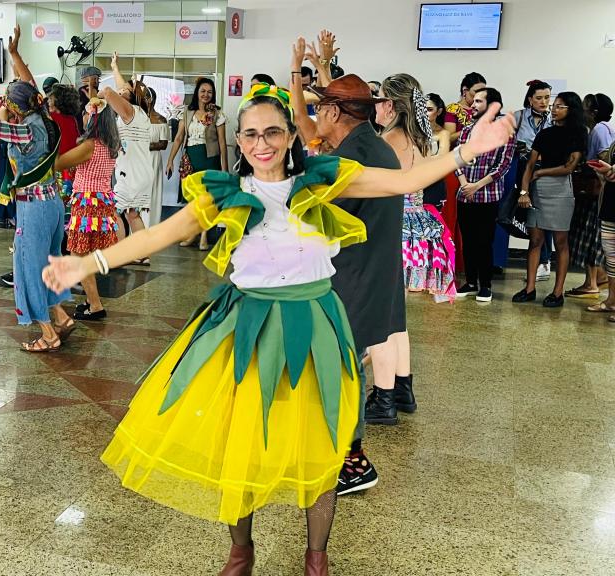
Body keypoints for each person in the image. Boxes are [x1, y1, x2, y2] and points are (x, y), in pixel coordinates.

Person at [42, 79, 516, 576]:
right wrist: (88, 263)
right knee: (240, 443)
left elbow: (398, 183)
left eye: (271, 132)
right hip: (247, 326)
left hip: (314, 324)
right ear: (241, 141)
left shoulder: (324, 177)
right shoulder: (224, 192)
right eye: (250, 135)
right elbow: (160, 235)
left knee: (322, 445)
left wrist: (465, 152)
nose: (260, 144)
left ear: (292, 135)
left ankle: (316, 557)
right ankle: (240, 551)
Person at [289, 34, 400, 483]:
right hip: (371, 275)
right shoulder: (374, 147)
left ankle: (353, 461)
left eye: (322, 108)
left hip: (353, 280)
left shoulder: (350, 161)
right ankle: (340, 450)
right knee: (343, 365)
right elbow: (309, 130)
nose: (316, 116)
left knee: (340, 368)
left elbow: (314, 220)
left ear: (336, 113)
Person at [0, 26, 75, 352]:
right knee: (49, 263)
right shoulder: (45, 118)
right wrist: (14, 55)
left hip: (34, 208)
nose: (7, 104)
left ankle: (48, 333)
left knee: (28, 269)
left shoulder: (24, 131)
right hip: (53, 205)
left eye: (9, 100)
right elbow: (29, 86)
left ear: (15, 107)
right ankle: (61, 317)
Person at [377, 74, 457, 311]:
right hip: (415, 220)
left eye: (379, 98)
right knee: (395, 304)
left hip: (394, 221)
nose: (375, 105)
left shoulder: (390, 139)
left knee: (387, 305)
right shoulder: (417, 136)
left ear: (390, 105)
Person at [513, 92, 588, 308]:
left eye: (560, 106)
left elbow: (569, 167)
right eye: (554, 105)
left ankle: (558, 292)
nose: (554, 109)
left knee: (560, 242)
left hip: (561, 190)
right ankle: (529, 289)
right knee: (535, 240)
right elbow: (529, 165)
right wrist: (524, 192)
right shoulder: (545, 134)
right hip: (537, 189)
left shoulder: (578, 134)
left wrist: (541, 174)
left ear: (571, 110)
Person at [55, 97, 122, 321]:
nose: (82, 117)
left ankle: (95, 305)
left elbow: (59, 163)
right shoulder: (111, 145)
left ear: (93, 118)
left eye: (86, 113)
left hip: (86, 203)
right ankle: (91, 301)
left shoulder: (89, 146)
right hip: (102, 201)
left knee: (78, 253)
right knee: (87, 253)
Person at [454, 87, 517, 304]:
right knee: (468, 240)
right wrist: (464, 185)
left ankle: (486, 285)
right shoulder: (466, 130)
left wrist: (476, 186)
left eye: (479, 102)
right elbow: (457, 159)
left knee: (484, 241)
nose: (473, 105)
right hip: (464, 194)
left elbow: (503, 165)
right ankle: (470, 282)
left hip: (487, 195)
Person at [167, 76, 228, 250]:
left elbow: (222, 143)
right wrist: (170, 160)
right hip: (190, 158)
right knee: (193, 199)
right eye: (203, 91)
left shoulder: (218, 113)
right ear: (197, 93)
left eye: (209, 92)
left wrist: (224, 169)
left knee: (207, 200)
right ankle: (193, 234)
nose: (206, 95)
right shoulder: (186, 112)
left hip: (210, 158)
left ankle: (203, 237)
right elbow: (179, 138)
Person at [567, 93, 614, 298]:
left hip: (595, 193)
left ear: (593, 112)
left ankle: (591, 282)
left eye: (586, 108)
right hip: (599, 193)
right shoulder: (605, 128)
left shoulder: (600, 130)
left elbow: (604, 158)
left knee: (589, 236)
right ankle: (598, 278)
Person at [109, 54, 156, 242]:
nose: (120, 92)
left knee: (113, 212)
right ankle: (142, 254)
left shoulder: (130, 112)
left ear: (134, 96)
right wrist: (114, 68)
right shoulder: (138, 113)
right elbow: (121, 88)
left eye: (124, 91)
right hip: (139, 172)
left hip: (132, 175)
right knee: (132, 214)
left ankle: (120, 251)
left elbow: (110, 92)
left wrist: (103, 94)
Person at [512, 80, 555, 281]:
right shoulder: (518, 117)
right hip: (523, 169)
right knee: (529, 216)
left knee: (542, 216)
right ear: (530, 99)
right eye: (539, 98)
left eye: (547, 97)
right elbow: (507, 143)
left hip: (545, 169)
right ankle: (540, 261)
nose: (544, 102)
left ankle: (544, 262)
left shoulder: (554, 120)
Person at [587, 157, 615, 320]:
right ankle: (612, 300)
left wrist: (611, 169)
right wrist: (605, 173)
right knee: (611, 258)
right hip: (610, 206)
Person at [144, 86, 170, 226]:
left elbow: (163, 144)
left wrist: (145, 145)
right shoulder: (136, 118)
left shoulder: (160, 120)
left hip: (153, 159)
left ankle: (151, 226)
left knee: (152, 191)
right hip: (138, 160)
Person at [423, 92, 450, 208]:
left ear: (438, 112)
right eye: (421, 109)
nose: (424, 113)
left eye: (429, 109)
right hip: (412, 185)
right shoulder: (412, 131)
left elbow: (442, 159)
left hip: (434, 184)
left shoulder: (443, 134)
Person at [444, 72, 486, 144]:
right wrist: (470, 128)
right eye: (477, 91)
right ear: (465, 90)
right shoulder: (453, 109)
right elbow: (448, 139)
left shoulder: (483, 108)